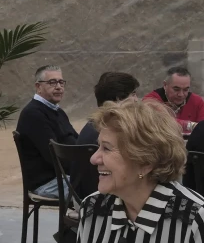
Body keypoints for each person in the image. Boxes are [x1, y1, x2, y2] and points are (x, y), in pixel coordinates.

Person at [73, 100, 204, 243]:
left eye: (106, 148)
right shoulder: (93, 208)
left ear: (145, 162)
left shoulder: (193, 220)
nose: (94, 158)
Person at [73, 72, 139, 200]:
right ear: (119, 98)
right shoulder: (111, 132)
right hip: (97, 200)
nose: (137, 99)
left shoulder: (92, 125)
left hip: (78, 195)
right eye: (134, 94)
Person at [15, 65, 78, 199]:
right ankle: (82, 218)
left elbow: (77, 141)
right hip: (48, 183)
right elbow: (54, 156)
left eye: (61, 82)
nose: (59, 87)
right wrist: (83, 171)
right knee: (100, 189)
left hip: (64, 177)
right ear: (38, 87)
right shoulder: (33, 114)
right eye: (52, 82)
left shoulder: (57, 111)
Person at [143, 66, 204, 133]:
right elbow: (161, 122)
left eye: (186, 89)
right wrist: (191, 126)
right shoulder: (150, 100)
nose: (181, 94)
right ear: (165, 85)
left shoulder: (197, 102)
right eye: (176, 89)